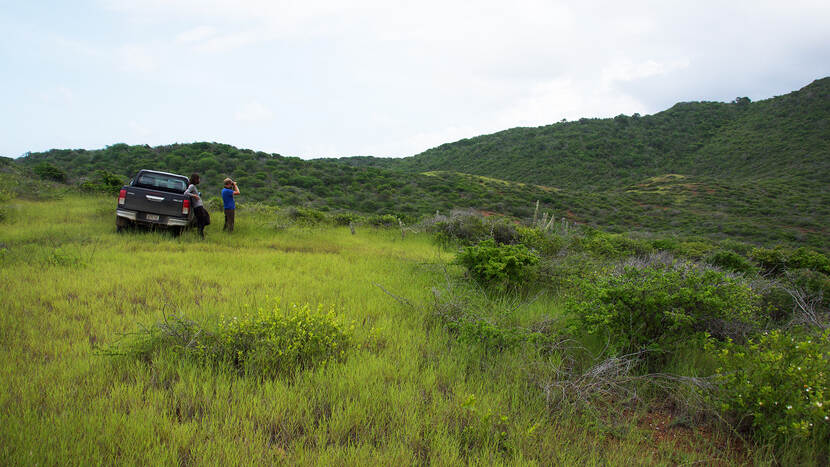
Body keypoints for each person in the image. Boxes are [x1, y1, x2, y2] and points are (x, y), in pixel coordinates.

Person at [185, 173, 210, 238]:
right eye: (198, 179)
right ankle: (200, 235)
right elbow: (186, 193)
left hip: (199, 206)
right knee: (202, 220)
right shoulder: (192, 186)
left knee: (206, 219)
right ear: (195, 179)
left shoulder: (193, 186)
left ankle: (198, 231)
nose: (199, 180)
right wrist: (194, 195)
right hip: (198, 207)